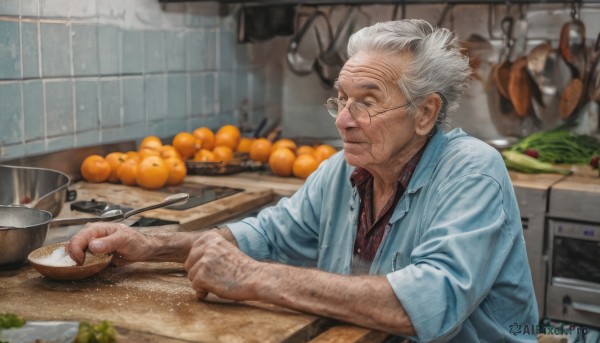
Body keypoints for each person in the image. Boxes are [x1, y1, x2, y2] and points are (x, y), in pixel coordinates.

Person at [66, 19, 539, 342]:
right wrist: (154, 246)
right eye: (341, 100)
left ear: (425, 113)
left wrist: (251, 277)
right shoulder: (344, 170)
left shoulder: (472, 170)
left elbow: (432, 301)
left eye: (367, 102)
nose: (343, 121)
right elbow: (268, 234)